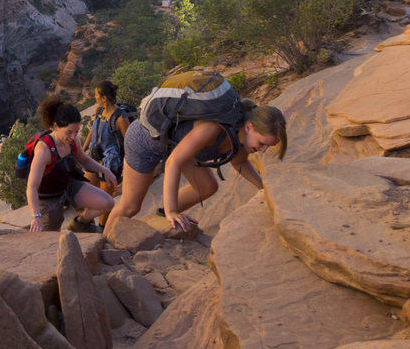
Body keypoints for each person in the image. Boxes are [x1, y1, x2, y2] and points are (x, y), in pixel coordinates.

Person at [104, 100, 287, 234]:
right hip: (145, 141)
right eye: (262, 143)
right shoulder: (214, 127)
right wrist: (173, 211)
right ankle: (103, 243)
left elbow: (239, 163)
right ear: (249, 127)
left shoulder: (240, 137)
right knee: (130, 206)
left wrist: (264, 189)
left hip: (174, 145)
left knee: (207, 186)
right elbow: (173, 162)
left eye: (268, 146)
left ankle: (162, 217)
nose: (263, 150)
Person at [27, 95, 117, 233]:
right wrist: (36, 216)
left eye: (76, 131)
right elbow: (32, 186)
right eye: (69, 132)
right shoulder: (44, 150)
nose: (73, 136)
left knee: (107, 202)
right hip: (48, 198)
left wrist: (105, 170)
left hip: (67, 186)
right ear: (55, 126)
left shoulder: (73, 141)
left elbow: (84, 160)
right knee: (52, 236)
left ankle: (80, 223)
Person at [82, 80, 131, 227]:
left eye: (96, 95)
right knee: (87, 193)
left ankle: (102, 229)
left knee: (104, 201)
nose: (95, 97)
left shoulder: (120, 118)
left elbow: (129, 143)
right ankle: (87, 224)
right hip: (94, 157)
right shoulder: (99, 109)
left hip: (110, 164)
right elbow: (93, 129)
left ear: (104, 98)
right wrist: (83, 150)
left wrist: (128, 169)